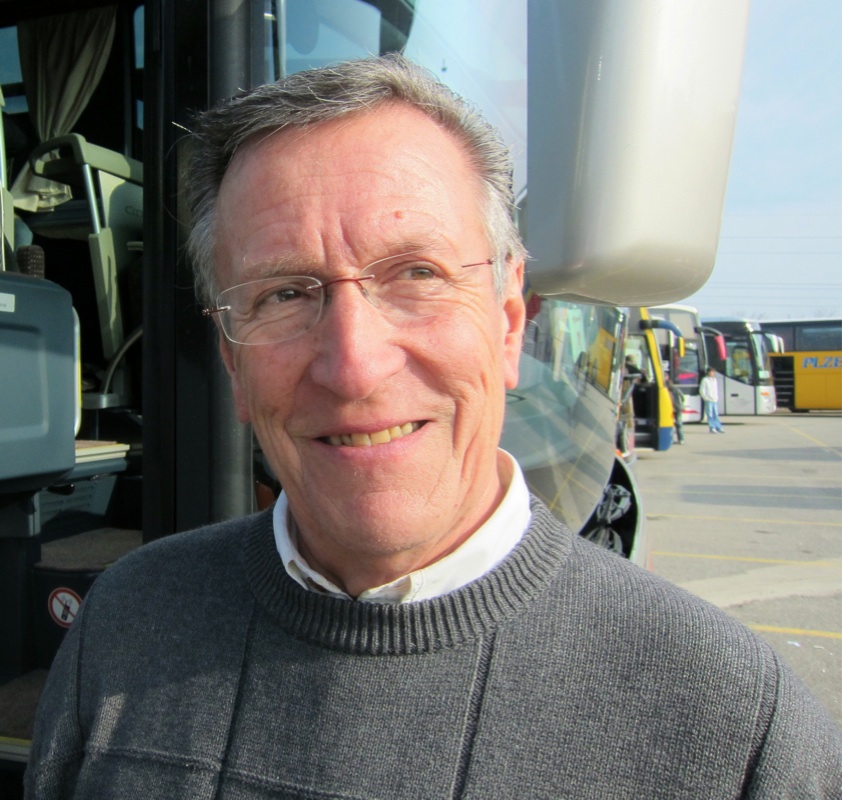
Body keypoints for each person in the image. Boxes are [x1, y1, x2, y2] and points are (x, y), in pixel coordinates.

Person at [26, 55, 840, 798]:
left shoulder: (733, 727)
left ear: (510, 320)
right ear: (232, 360)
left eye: (417, 273)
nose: (354, 366)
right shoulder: (126, 625)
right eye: (284, 294)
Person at [700, 366, 725, 433]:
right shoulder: (705, 380)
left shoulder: (714, 380)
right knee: (710, 414)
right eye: (711, 372)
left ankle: (718, 427)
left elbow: (716, 390)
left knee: (716, 414)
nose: (712, 373)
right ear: (708, 372)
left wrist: (716, 397)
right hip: (709, 400)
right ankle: (712, 427)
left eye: (713, 372)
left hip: (714, 399)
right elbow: (702, 390)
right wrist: (706, 398)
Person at [665, 375, 685, 444]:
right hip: (678, 408)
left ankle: (670, 439)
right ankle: (681, 439)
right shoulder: (676, 389)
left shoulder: (666, 391)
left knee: (669, 424)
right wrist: (681, 404)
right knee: (679, 424)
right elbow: (682, 397)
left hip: (671, 409)